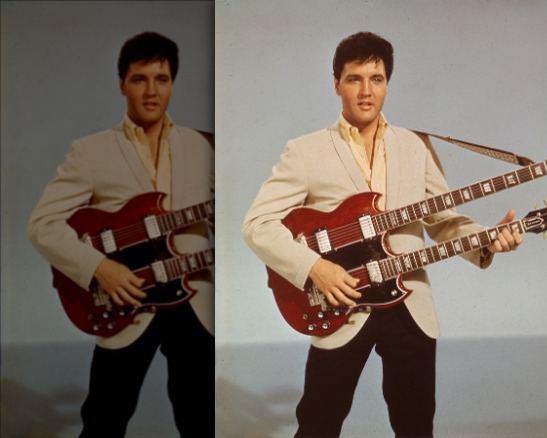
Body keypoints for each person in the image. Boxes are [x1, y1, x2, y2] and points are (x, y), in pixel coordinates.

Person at [242, 31, 521, 437]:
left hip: (410, 306)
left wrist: (487, 238)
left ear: (388, 83)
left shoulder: (415, 147)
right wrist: (314, 267)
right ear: (336, 83)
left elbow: (443, 222)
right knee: (319, 424)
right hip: (341, 303)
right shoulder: (304, 151)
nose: (366, 91)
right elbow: (257, 225)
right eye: (355, 79)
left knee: (415, 427)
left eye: (377, 79)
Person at [27, 32, 214, 437]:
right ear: (121, 84)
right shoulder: (90, 151)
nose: (151, 91)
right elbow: (42, 224)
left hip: (196, 303)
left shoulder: (204, 147)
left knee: (200, 420)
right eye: (139, 79)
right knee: (104, 421)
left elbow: (230, 220)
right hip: (125, 299)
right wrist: (97, 268)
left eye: (161, 79)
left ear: (173, 83)